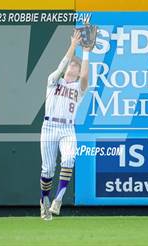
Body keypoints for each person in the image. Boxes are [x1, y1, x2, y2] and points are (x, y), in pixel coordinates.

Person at [39, 28, 91, 220]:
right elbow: (61, 65)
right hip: (49, 127)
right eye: (72, 66)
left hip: (67, 128)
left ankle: (58, 200)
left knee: (69, 159)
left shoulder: (79, 88)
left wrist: (86, 52)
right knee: (48, 169)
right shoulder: (53, 81)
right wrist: (73, 46)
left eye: (76, 68)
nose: (73, 69)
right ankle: (44, 200)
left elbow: (85, 77)